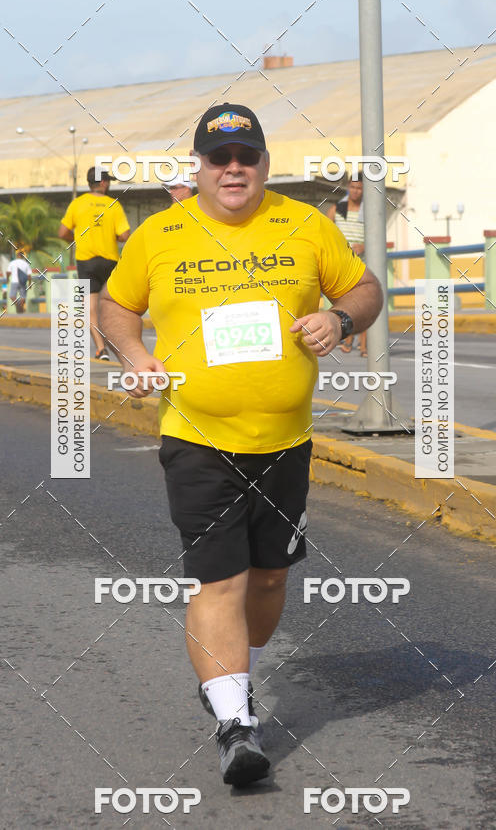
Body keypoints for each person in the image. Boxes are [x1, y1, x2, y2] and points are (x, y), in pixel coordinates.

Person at [99, 103, 382, 788]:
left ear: (261, 163)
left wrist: (339, 319)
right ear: (198, 166)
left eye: (245, 157)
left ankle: (234, 664)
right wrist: (135, 355)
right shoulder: (159, 234)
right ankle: (235, 722)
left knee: (269, 580)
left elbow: (367, 289)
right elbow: (115, 305)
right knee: (218, 579)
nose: (232, 169)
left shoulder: (305, 224)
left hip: (285, 442)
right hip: (196, 436)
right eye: (218, 158)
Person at [58, 167, 130, 359]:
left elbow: (62, 233)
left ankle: (101, 349)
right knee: (114, 306)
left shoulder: (77, 204)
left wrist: (79, 238)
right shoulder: (113, 205)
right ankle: (122, 349)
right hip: (110, 262)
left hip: (86, 262)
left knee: (89, 309)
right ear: (104, 183)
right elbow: (124, 235)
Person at [329, 173, 367, 355]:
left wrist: (365, 245)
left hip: (362, 264)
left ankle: (364, 346)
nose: (355, 191)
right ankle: (349, 339)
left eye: (359, 188)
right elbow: (325, 233)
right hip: (343, 264)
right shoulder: (337, 209)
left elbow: (377, 236)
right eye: (352, 187)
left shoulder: (368, 212)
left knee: (365, 303)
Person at [6, 249, 32, 313]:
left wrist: (7, 279)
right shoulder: (26, 264)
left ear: (17, 256)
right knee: (23, 297)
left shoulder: (12, 263)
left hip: (14, 281)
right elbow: (29, 275)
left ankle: (18, 307)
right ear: (23, 256)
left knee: (12, 296)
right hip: (23, 282)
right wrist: (29, 283)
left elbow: (8, 272)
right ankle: (21, 309)